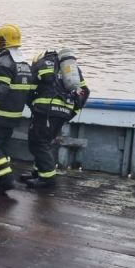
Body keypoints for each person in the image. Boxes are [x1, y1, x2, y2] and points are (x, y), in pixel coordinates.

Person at [21, 49, 90, 189]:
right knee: (44, 143)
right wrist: (72, 112)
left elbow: (29, 89)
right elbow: (84, 91)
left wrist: (33, 106)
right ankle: (38, 173)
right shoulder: (71, 69)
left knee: (37, 143)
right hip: (64, 111)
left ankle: (47, 179)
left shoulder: (40, 64)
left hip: (46, 110)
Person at [0, 24, 33, 194]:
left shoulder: (3, 62)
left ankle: (5, 178)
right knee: (2, 146)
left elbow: (0, 90)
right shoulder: (23, 63)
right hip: (13, 116)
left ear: (1, 41)